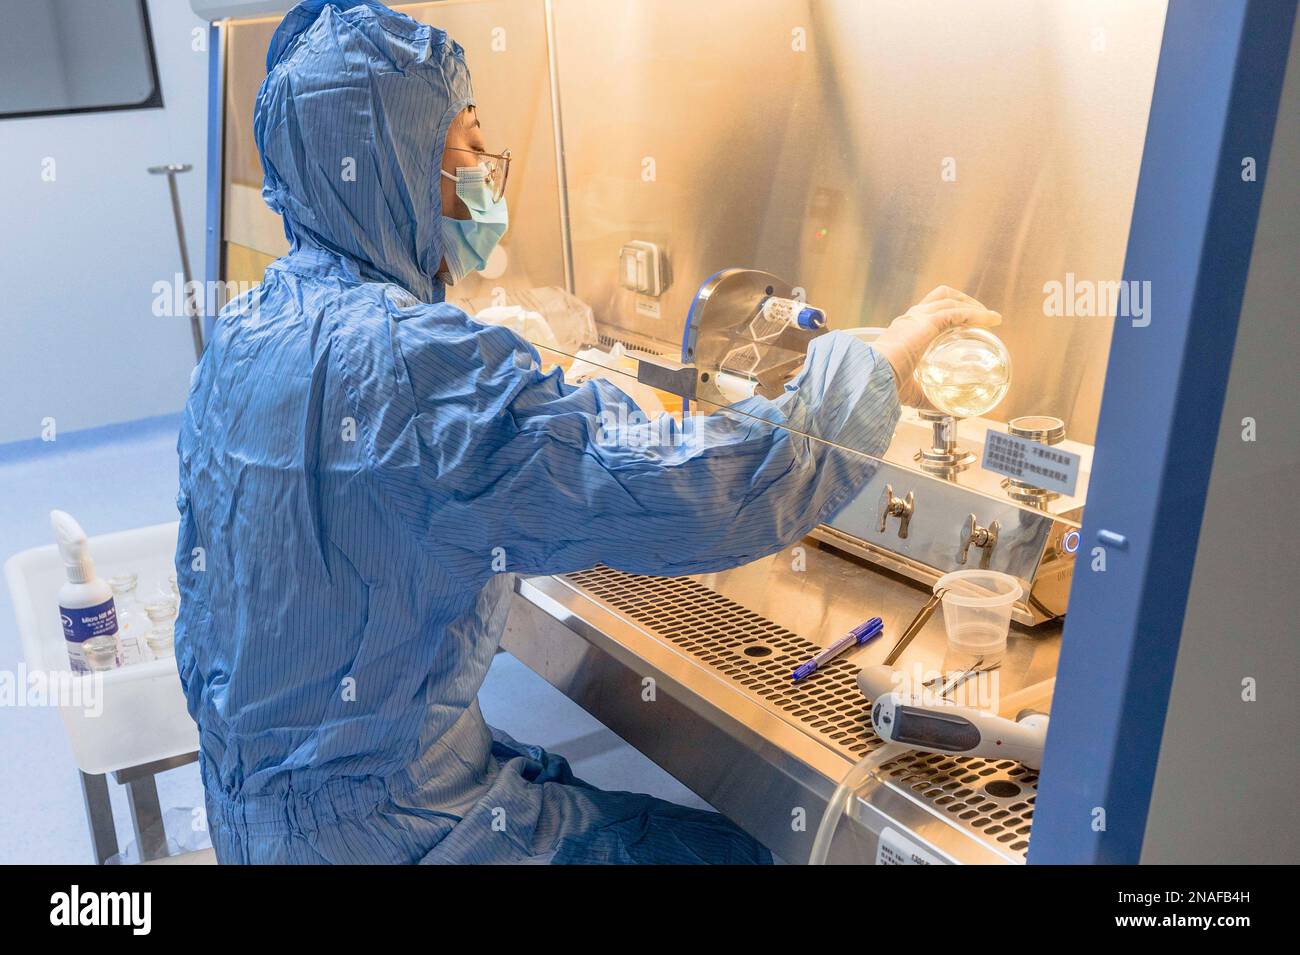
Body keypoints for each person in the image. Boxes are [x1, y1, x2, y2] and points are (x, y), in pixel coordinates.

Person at [175, 0, 1000, 865]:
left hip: (259, 831)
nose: (486, 179)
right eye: (467, 150)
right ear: (390, 162)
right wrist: (871, 368)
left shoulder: (246, 329)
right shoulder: (412, 365)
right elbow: (707, 490)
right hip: (400, 837)